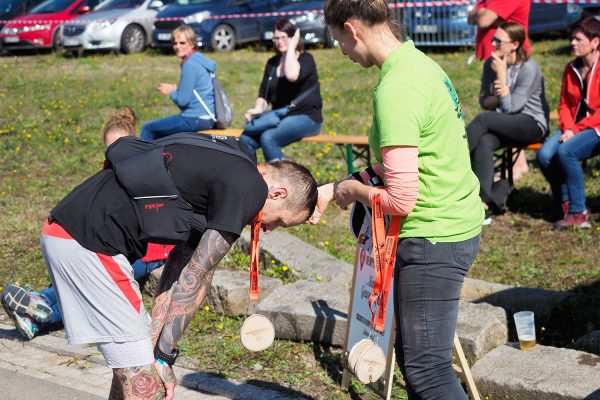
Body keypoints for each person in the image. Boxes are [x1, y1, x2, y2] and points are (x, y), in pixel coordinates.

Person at [39, 123, 317, 399]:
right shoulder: (250, 188)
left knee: (134, 370)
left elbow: (179, 265)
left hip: (71, 233)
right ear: (278, 193)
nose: (269, 229)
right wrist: (164, 357)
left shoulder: (229, 161)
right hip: (91, 244)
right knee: (148, 387)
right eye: (280, 221)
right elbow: (197, 276)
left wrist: (156, 346)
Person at [312, 1, 483, 399]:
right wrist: (335, 186)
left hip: (432, 238)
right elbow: (411, 163)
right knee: (417, 359)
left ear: (353, 29)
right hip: (450, 222)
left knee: (428, 372)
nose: (341, 51)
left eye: (339, 41)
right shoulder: (417, 64)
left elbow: (401, 199)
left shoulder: (396, 89)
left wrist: (352, 192)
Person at [1, 107, 173, 341]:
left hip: (148, 252)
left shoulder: (145, 172)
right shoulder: (108, 175)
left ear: (135, 142)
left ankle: (40, 305)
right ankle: (36, 316)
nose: (116, 154)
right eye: (110, 149)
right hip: (111, 243)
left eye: (120, 145)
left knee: (85, 285)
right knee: (76, 277)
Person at [467, 22, 549, 223]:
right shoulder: (490, 63)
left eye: (498, 40)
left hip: (531, 123)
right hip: (503, 122)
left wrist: (502, 77)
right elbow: (484, 100)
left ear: (514, 44)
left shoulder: (529, 68)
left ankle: (451, 156)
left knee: (484, 120)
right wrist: (502, 94)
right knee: (485, 141)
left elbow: (512, 108)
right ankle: (485, 204)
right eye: (493, 38)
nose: (493, 42)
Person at [536, 16, 600, 229]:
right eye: (572, 38)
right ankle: (566, 202)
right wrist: (569, 127)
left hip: (595, 128)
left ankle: (579, 212)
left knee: (566, 151)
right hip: (572, 127)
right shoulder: (570, 68)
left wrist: (576, 130)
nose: (573, 43)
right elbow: (563, 104)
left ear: (595, 42)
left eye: (578, 39)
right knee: (544, 155)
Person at [239, 19, 323, 162]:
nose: (279, 41)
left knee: (269, 137)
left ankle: (281, 181)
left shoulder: (306, 59)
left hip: (307, 117)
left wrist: (291, 48)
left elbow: (291, 75)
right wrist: (257, 109)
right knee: (245, 139)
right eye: (276, 38)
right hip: (279, 117)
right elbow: (263, 95)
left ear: (293, 38)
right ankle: (250, 179)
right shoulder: (272, 63)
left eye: (283, 37)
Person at [468, 0, 532, 180]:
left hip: (512, 59)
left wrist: (481, 14)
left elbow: (482, 20)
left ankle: (518, 163)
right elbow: (471, 16)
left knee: (505, 107)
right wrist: (481, 13)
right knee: (494, 107)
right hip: (496, 57)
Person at [140, 25, 217, 141]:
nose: (177, 46)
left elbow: (183, 101)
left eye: (182, 43)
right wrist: (176, 91)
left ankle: (146, 159)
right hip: (207, 117)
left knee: (148, 129)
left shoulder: (189, 64)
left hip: (195, 118)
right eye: (175, 43)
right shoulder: (199, 60)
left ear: (191, 44)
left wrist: (171, 92)